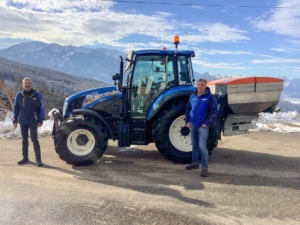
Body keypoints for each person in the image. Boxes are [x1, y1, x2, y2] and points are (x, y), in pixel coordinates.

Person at [185, 78, 218, 177]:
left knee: (202, 147)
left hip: (202, 126)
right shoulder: (193, 96)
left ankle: (205, 168)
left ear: (205, 86)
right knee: (194, 145)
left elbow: (214, 111)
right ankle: (195, 163)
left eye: (202, 85)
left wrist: (207, 123)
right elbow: (188, 108)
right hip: (193, 125)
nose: (199, 86)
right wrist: (187, 121)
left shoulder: (210, 97)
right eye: (198, 85)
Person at [13, 77, 45, 167]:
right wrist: (15, 119)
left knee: (34, 139)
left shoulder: (37, 95)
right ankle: (25, 158)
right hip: (23, 120)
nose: (27, 85)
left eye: (29, 83)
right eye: (25, 83)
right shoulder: (19, 95)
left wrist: (41, 119)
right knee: (24, 140)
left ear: (31, 84)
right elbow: (16, 108)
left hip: (33, 121)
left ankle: (38, 160)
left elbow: (41, 108)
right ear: (23, 85)